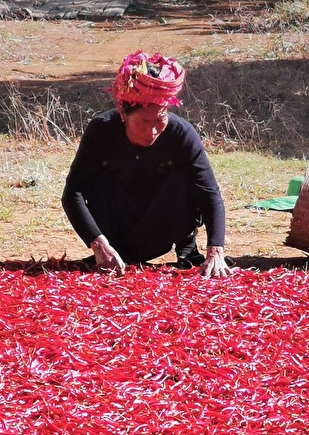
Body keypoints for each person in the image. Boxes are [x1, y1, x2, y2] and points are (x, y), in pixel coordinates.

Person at [62, 51, 231, 279]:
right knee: (98, 178)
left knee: (186, 177)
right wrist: (98, 243)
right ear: (123, 113)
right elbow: (73, 192)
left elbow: (210, 193)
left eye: (160, 120)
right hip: (114, 232)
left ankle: (187, 245)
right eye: (143, 121)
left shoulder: (181, 135)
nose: (152, 132)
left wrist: (216, 251)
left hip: (162, 228)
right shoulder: (101, 131)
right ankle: (110, 250)